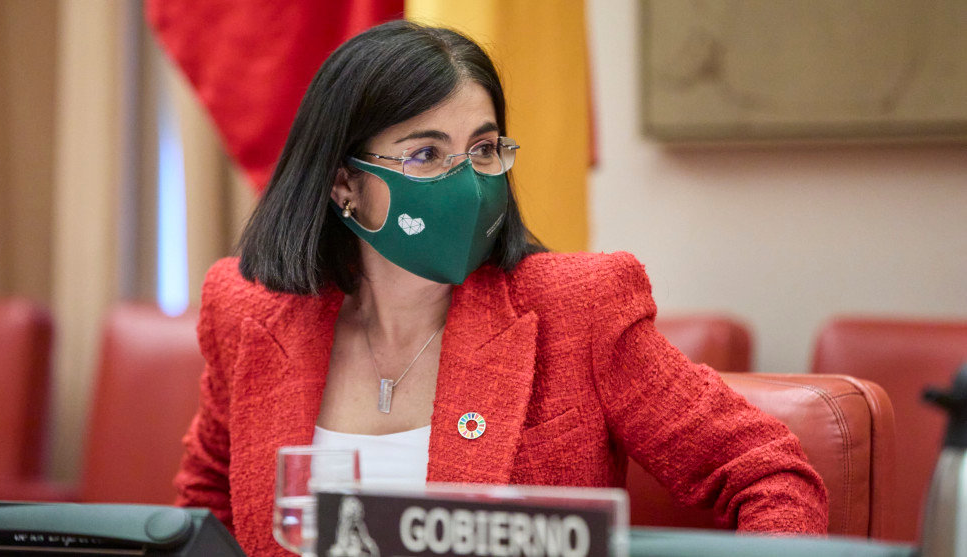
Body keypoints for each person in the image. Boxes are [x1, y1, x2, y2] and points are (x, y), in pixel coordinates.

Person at [174, 20, 828, 555]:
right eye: (426, 155)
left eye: (484, 150)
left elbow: (771, 472)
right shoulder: (251, 314)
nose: (468, 185)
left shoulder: (580, 309)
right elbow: (206, 511)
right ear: (344, 184)